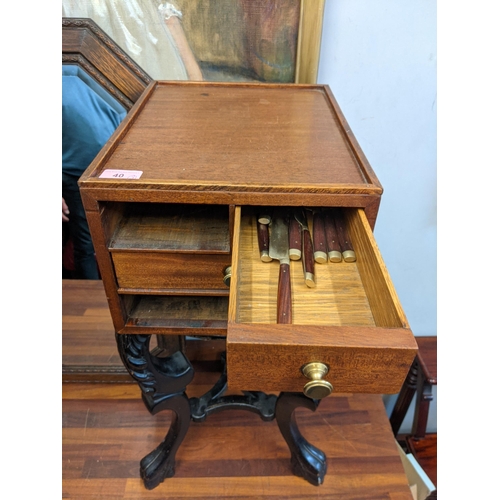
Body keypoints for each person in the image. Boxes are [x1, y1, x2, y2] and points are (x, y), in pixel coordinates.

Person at [62, 68, 126, 279]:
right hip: (75, 173)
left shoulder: (78, 67)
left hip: (116, 162)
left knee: (121, 232)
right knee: (86, 244)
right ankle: (94, 295)